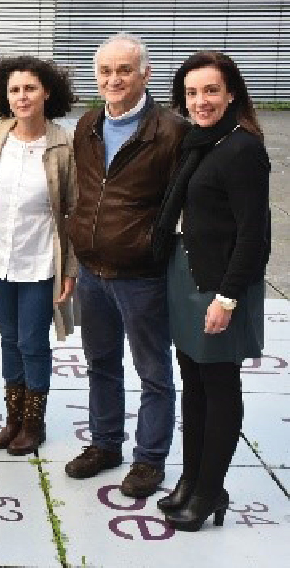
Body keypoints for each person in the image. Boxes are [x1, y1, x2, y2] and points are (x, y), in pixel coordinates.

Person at [64, 33, 189, 498]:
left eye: (124, 71)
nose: (113, 80)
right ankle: (104, 444)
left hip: (142, 274)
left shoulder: (172, 130)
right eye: (105, 71)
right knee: (101, 362)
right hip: (94, 269)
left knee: (153, 370)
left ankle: (150, 459)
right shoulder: (88, 125)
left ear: (145, 75)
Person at [152, 51, 270, 531]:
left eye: (211, 91)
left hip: (221, 287)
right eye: (192, 92)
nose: (200, 101)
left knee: (219, 389)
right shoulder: (200, 143)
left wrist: (226, 298)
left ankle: (208, 491)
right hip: (187, 275)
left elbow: (254, 236)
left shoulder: (242, 149)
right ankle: (190, 480)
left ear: (232, 93)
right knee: (194, 387)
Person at [0, 56, 78, 456]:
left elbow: (74, 209)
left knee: (33, 342)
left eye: (30, 88)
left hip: (39, 264)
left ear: (47, 91)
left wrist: (70, 267)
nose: (22, 96)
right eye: (14, 90)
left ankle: (34, 424)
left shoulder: (62, 143)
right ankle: (12, 418)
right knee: (9, 340)